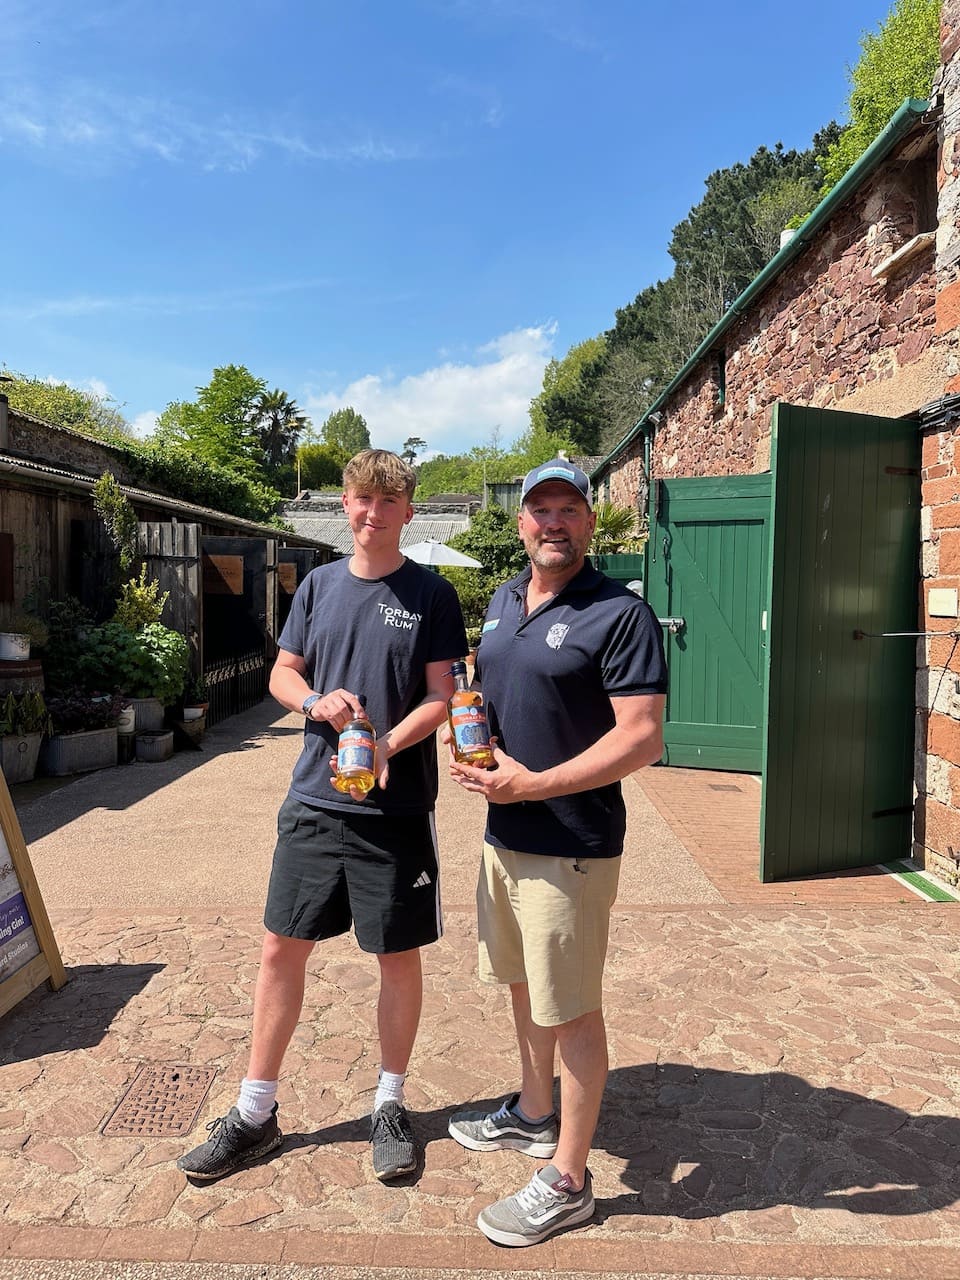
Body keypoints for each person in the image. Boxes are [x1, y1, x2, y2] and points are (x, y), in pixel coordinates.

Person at [177, 448, 468, 1184]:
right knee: (281, 950)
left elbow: (446, 695)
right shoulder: (317, 586)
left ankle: (391, 1104)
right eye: (361, 500)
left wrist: (390, 744)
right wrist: (316, 703)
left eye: (388, 502)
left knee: (395, 958)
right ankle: (254, 1112)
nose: (372, 513)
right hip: (313, 798)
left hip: (396, 808)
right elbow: (283, 671)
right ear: (345, 504)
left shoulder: (433, 595)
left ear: (408, 510)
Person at [446, 457, 666, 1247]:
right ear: (521, 523)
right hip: (504, 835)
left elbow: (642, 736)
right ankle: (535, 1111)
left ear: (590, 522)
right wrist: (477, 749)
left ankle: (569, 1178)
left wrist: (532, 786)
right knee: (522, 984)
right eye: (541, 509)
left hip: (570, 842)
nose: (553, 522)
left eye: (569, 509)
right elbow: (490, 700)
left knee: (570, 1006)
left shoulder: (619, 614)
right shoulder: (505, 603)